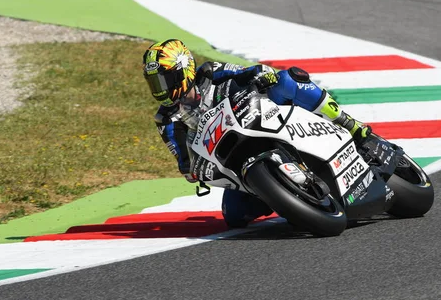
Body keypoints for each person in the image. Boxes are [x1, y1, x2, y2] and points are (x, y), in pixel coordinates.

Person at [143, 39, 372, 228]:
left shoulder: (210, 72)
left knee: (286, 79)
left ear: (184, 70)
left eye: (164, 80)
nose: (160, 88)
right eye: (154, 83)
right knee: (232, 216)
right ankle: (284, 197)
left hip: (263, 117)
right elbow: (184, 161)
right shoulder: (166, 119)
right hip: (233, 157)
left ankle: (349, 123)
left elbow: (249, 72)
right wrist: (192, 170)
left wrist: (262, 75)